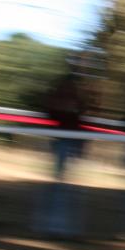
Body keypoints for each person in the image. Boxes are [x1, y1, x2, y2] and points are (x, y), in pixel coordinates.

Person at [35, 65, 90, 239]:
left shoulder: (71, 91)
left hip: (67, 141)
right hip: (64, 141)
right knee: (61, 186)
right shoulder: (69, 90)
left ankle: (56, 226)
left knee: (62, 186)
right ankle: (55, 226)